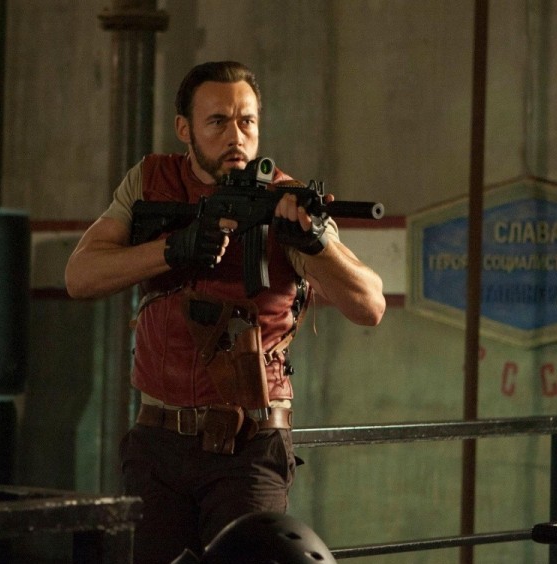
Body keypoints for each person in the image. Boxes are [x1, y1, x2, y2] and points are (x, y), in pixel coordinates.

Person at [64, 60, 384, 564]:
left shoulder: (287, 199)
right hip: (157, 443)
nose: (236, 136)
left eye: (247, 121)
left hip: (248, 445)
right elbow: (80, 276)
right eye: (218, 122)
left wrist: (315, 243)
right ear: (184, 129)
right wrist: (174, 250)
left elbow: (370, 306)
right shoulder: (150, 181)